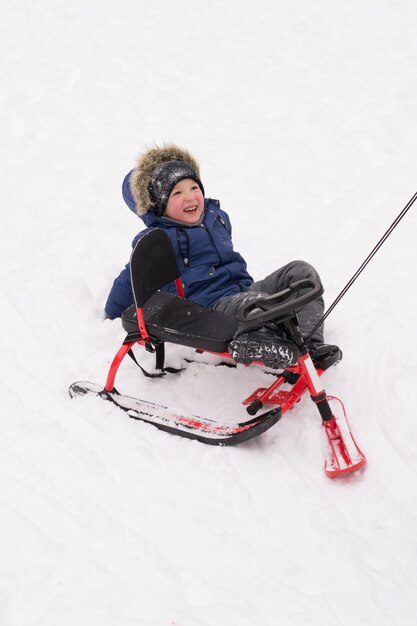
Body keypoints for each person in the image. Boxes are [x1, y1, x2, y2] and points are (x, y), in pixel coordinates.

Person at [105, 144, 337, 369]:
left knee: (301, 273)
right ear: (159, 207)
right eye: (177, 193)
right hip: (209, 309)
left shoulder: (215, 218)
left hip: (245, 292)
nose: (190, 197)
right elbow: (132, 277)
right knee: (254, 307)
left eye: (194, 188)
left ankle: (309, 342)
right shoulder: (159, 241)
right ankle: (259, 342)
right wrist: (113, 313)